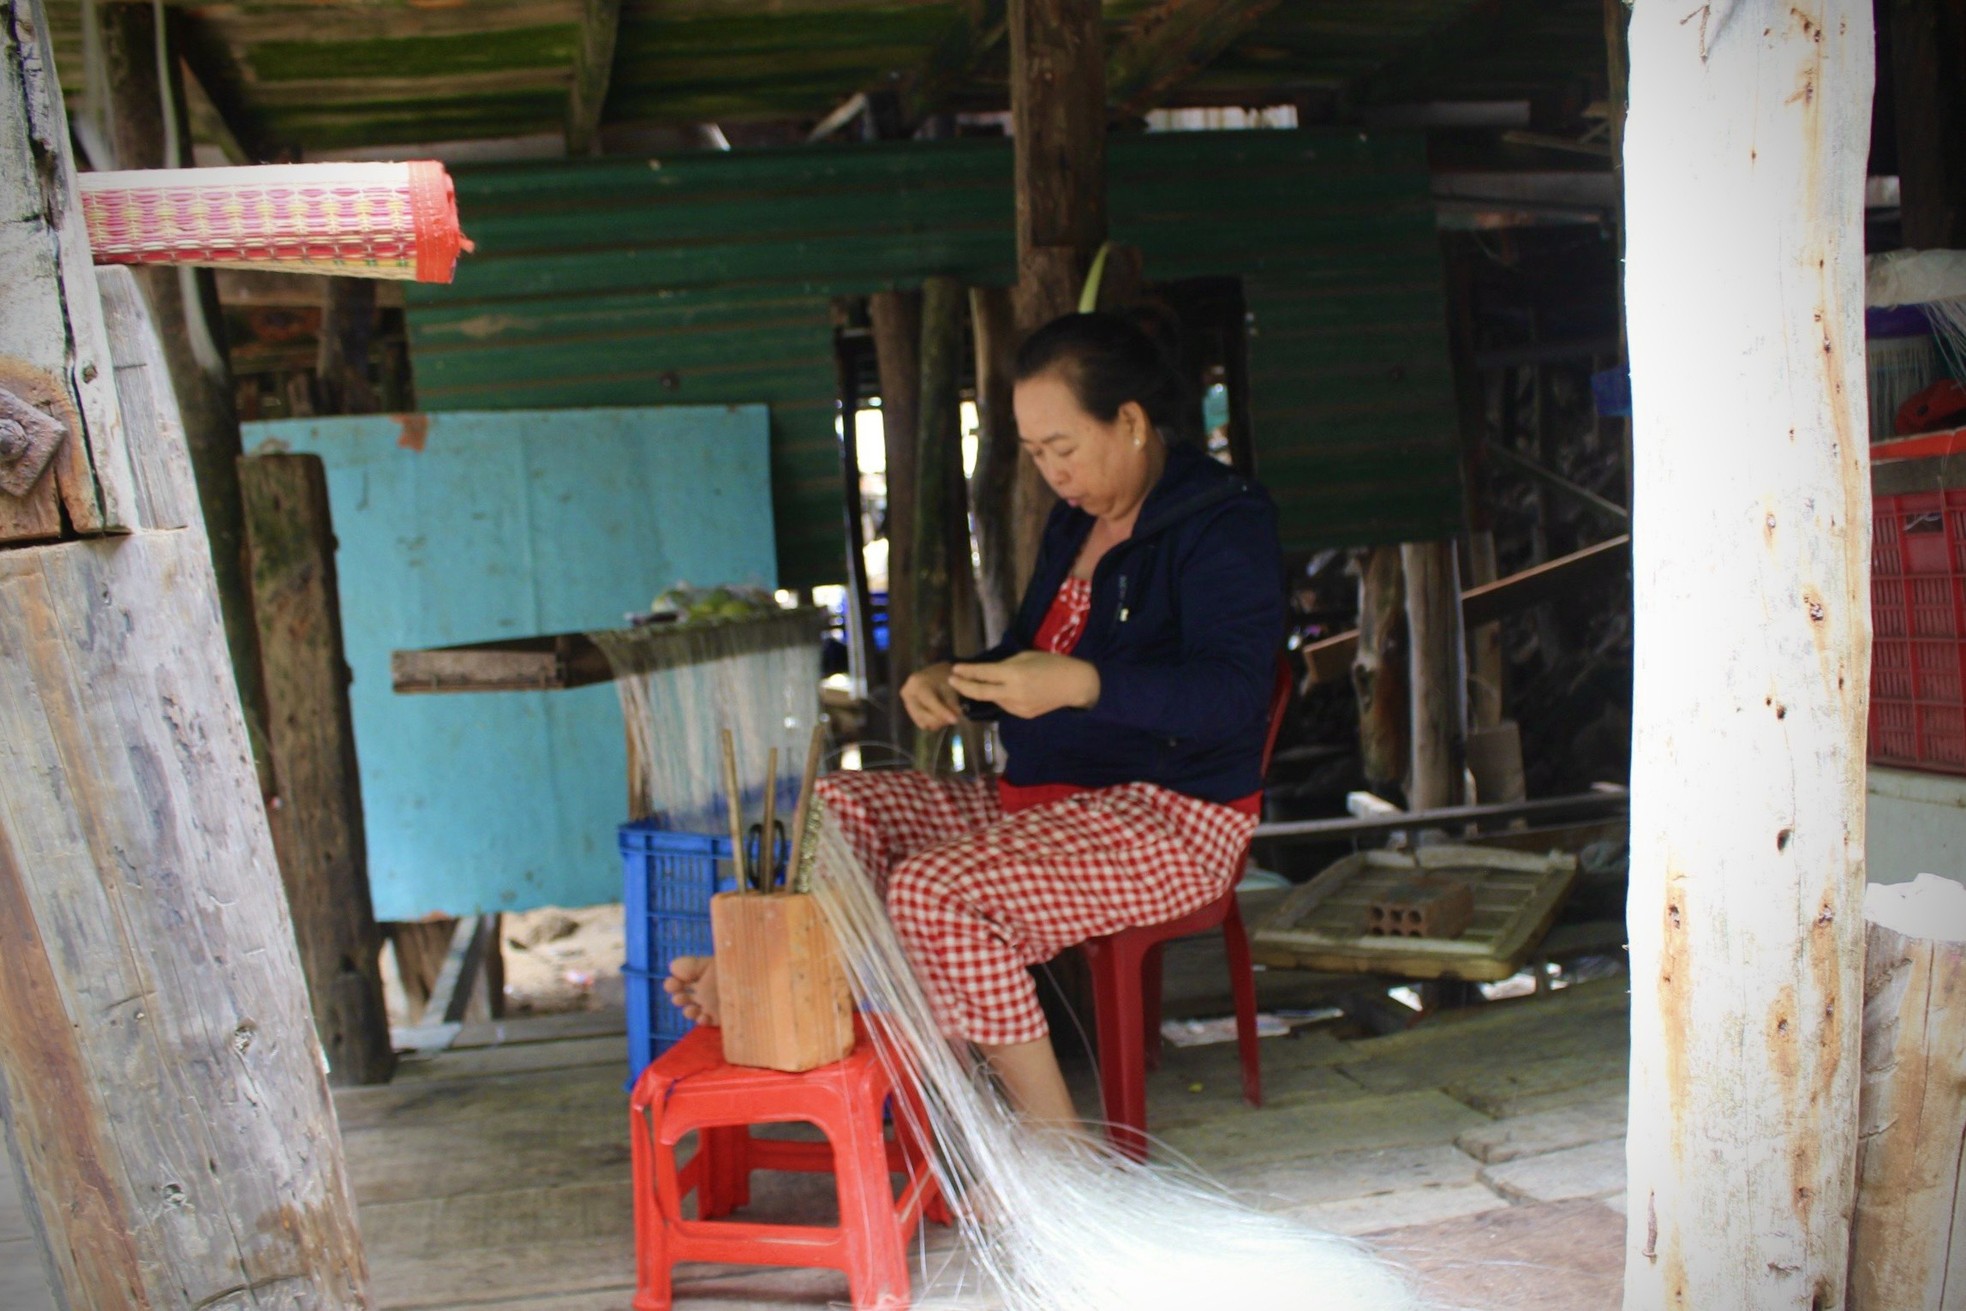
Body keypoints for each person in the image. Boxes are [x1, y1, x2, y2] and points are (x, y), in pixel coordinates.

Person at [667, 311, 1284, 1127]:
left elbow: (1231, 695)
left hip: (1171, 817)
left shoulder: (1222, 523)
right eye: (1033, 454)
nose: (1052, 472)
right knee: (837, 809)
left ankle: (1053, 1146)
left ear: (1130, 421)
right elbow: (1032, 654)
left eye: (1063, 447)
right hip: (1041, 797)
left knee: (935, 890)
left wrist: (1082, 685)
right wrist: (957, 679)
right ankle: (792, 977)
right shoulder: (1076, 524)